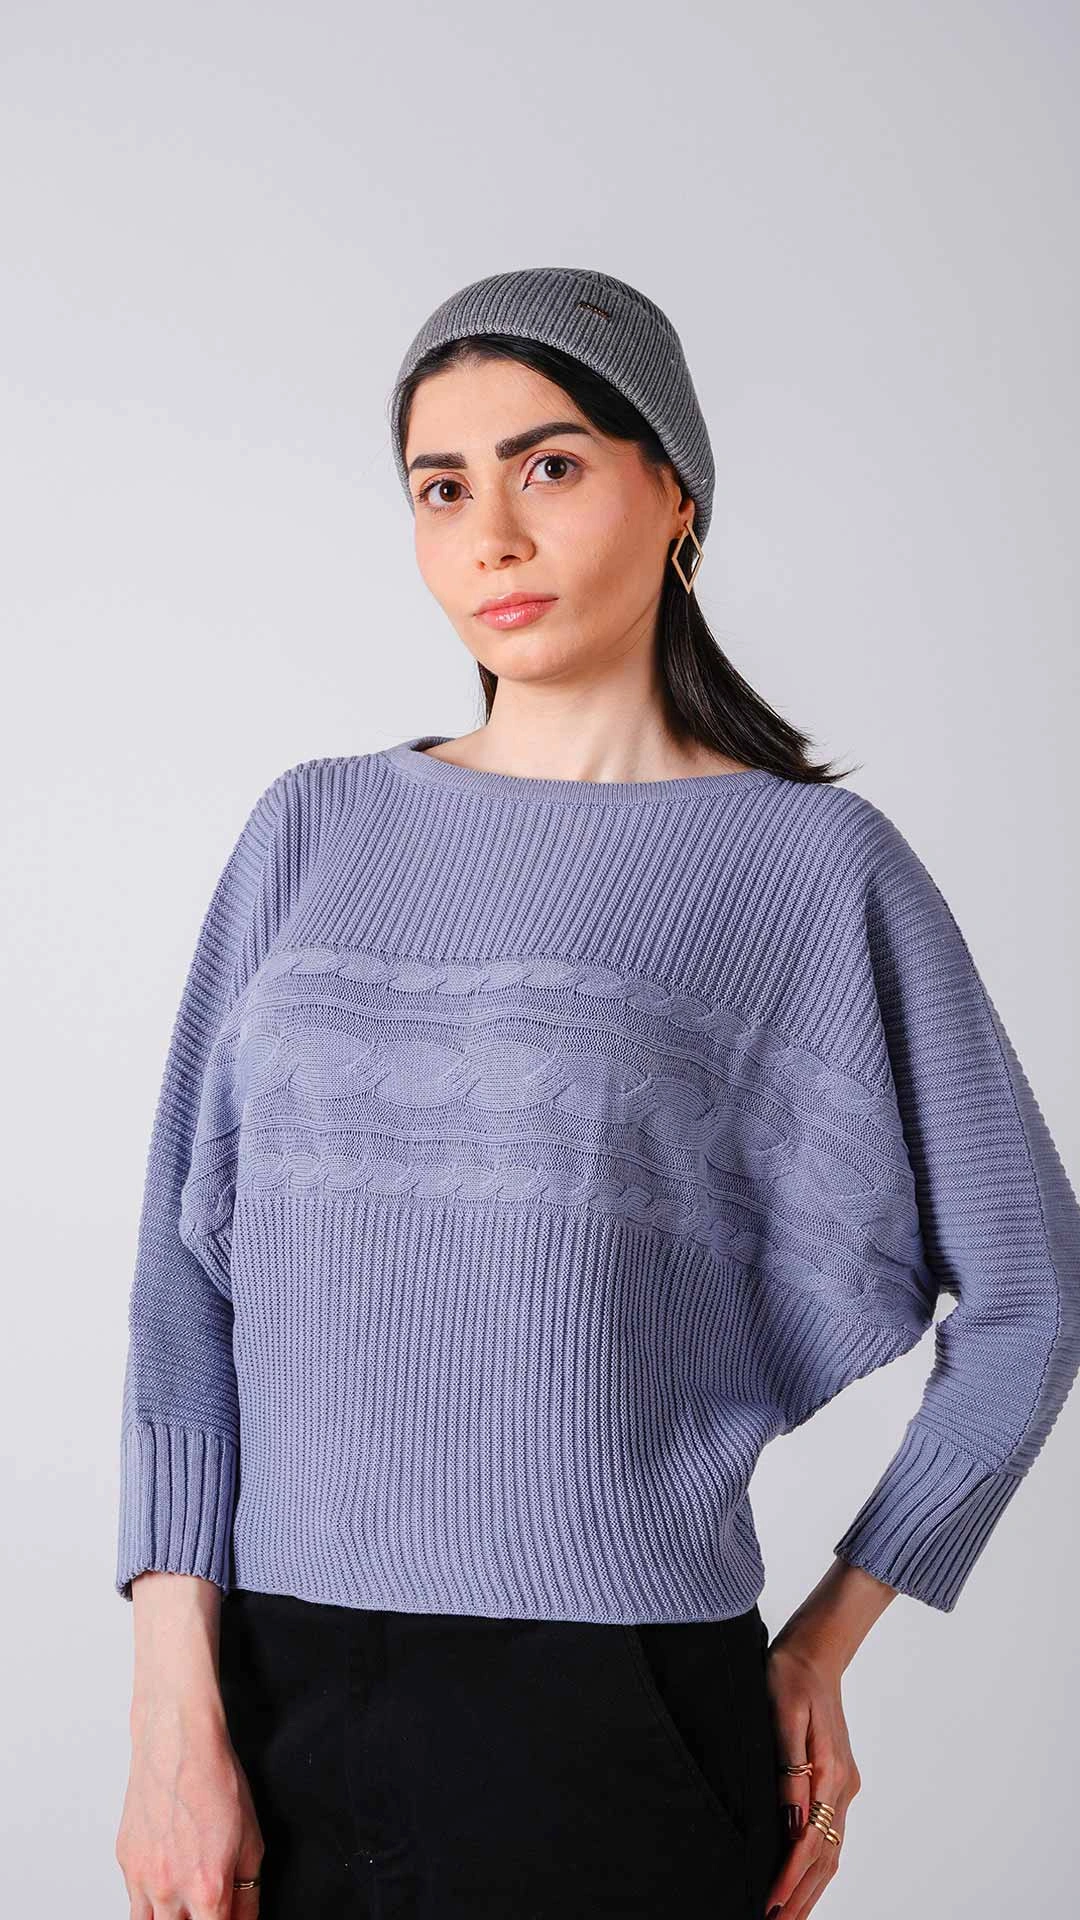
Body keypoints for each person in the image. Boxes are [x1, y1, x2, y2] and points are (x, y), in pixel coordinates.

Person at [114, 265, 1080, 1920]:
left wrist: (833, 1633)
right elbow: (181, 1292)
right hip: (272, 1704)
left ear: (675, 490)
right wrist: (168, 1710)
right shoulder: (311, 831)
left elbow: (1032, 1295)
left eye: (547, 466)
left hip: (612, 1723)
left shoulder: (809, 869)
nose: (491, 536)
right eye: (442, 489)